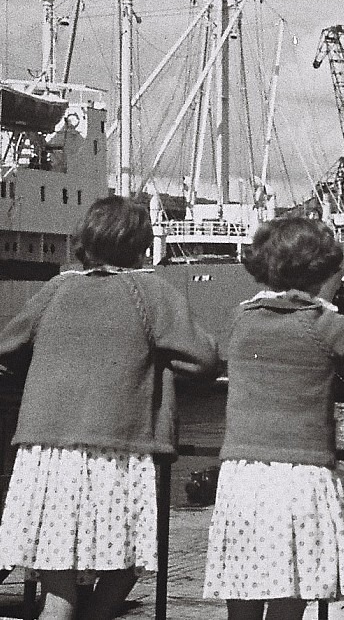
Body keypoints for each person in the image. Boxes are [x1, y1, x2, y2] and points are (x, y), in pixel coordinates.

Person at [0, 195, 219, 620]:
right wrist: (157, 363)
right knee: (129, 560)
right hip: (116, 450)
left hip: (46, 454)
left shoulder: (57, 288)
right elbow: (205, 359)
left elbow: (7, 347)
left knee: (57, 587)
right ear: (142, 246)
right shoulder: (150, 290)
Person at [203, 216, 344, 620]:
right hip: (298, 478)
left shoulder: (242, 320)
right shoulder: (324, 325)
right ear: (322, 271)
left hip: (242, 477)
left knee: (243, 602)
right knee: (289, 599)